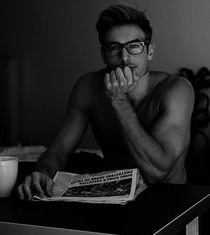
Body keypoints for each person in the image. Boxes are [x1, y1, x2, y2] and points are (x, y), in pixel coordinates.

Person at [18, 4, 194, 200]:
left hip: (169, 201)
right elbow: (59, 151)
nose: (125, 57)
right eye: (114, 48)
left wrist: (118, 100)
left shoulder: (177, 89)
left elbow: (157, 172)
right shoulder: (87, 87)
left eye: (134, 46)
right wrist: (42, 172)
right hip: (115, 199)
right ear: (104, 54)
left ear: (150, 51)